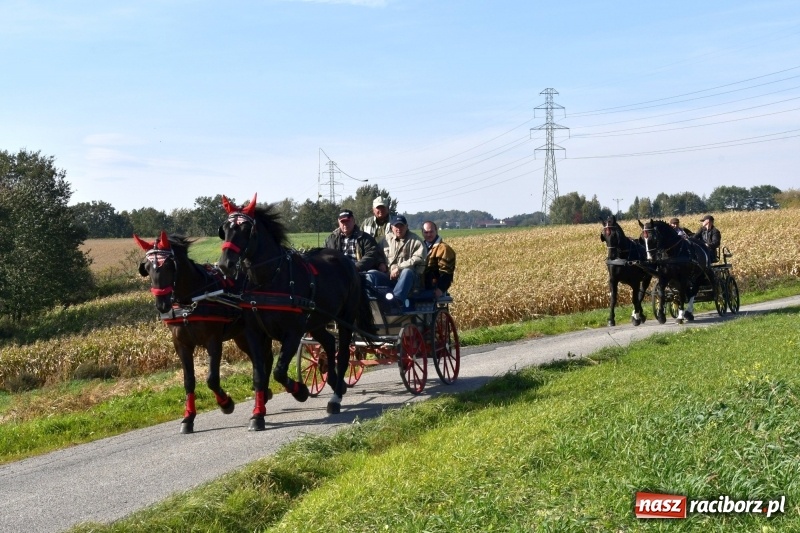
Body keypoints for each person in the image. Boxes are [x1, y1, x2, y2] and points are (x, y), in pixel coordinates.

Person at [371, 215, 426, 311]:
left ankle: (395, 302)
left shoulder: (416, 241)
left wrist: (399, 268)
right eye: (396, 226)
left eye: (401, 226)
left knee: (406, 272)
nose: (399, 229)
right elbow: (377, 254)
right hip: (388, 276)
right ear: (392, 227)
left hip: (411, 280)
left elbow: (418, 258)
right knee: (372, 273)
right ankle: (371, 303)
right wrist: (380, 263)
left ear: (406, 226)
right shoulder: (385, 240)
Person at [324, 210, 386, 281]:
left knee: (371, 276)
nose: (345, 224)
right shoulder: (331, 239)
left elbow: (371, 255)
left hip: (360, 272)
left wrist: (356, 267)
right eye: (342, 222)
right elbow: (324, 256)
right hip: (338, 273)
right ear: (339, 223)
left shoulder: (365, 238)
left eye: (348, 221)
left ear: (353, 221)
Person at [421, 221, 456, 298]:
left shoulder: (444, 249)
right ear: (422, 233)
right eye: (426, 232)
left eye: (431, 232)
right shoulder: (420, 247)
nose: (429, 235)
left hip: (433, 288)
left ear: (436, 231)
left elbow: (446, 272)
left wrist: (440, 289)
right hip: (420, 287)